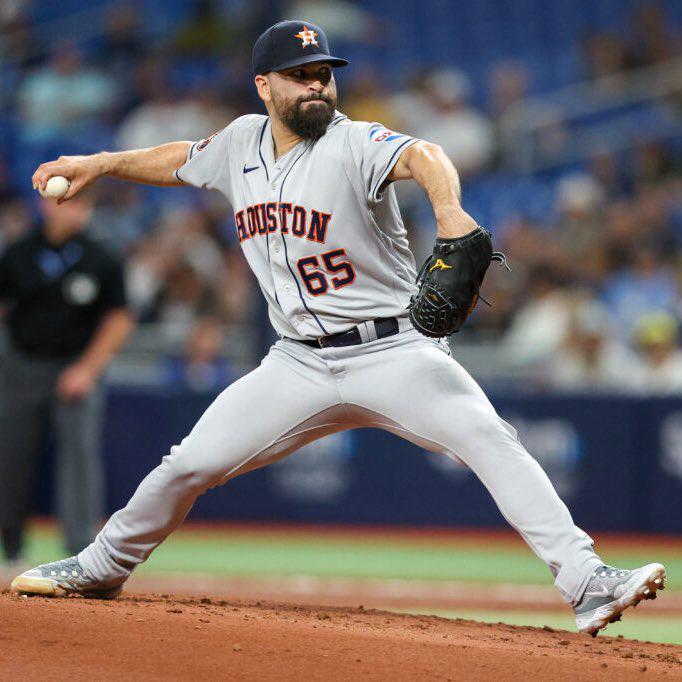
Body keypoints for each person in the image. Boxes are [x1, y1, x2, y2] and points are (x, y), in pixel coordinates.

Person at [12, 21, 665, 637]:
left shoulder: (354, 143)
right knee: (188, 464)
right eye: (300, 75)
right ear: (264, 86)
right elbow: (181, 158)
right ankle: (100, 567)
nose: (317, 85)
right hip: (295, 363)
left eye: (324, 73)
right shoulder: (239, 144)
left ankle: (587, 581)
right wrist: (102, 162)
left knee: (489, 437)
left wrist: (450, 213)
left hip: (394, 352)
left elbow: (426, 154)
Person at [0, 193, 134, 566]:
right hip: (21, 368)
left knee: (80, 459)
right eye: (70, 203)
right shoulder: (19, 252)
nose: (78, 212)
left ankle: (79, 552)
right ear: (47, 205)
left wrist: (87, 369)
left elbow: (120, 318)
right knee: (10, 456)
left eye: (83, 204)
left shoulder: (100, 256)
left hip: (76, 368)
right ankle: (11, 546)